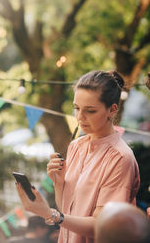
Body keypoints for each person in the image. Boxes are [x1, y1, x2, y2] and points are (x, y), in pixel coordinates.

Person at [16, 70, 140, 243]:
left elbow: (102, 224)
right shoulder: (76, 146)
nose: (80, 117)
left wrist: (49, 214)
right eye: (76, 108)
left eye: (90, 111)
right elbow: (67, 210)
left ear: (112, 110)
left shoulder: (120, 158)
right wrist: (59, 183)